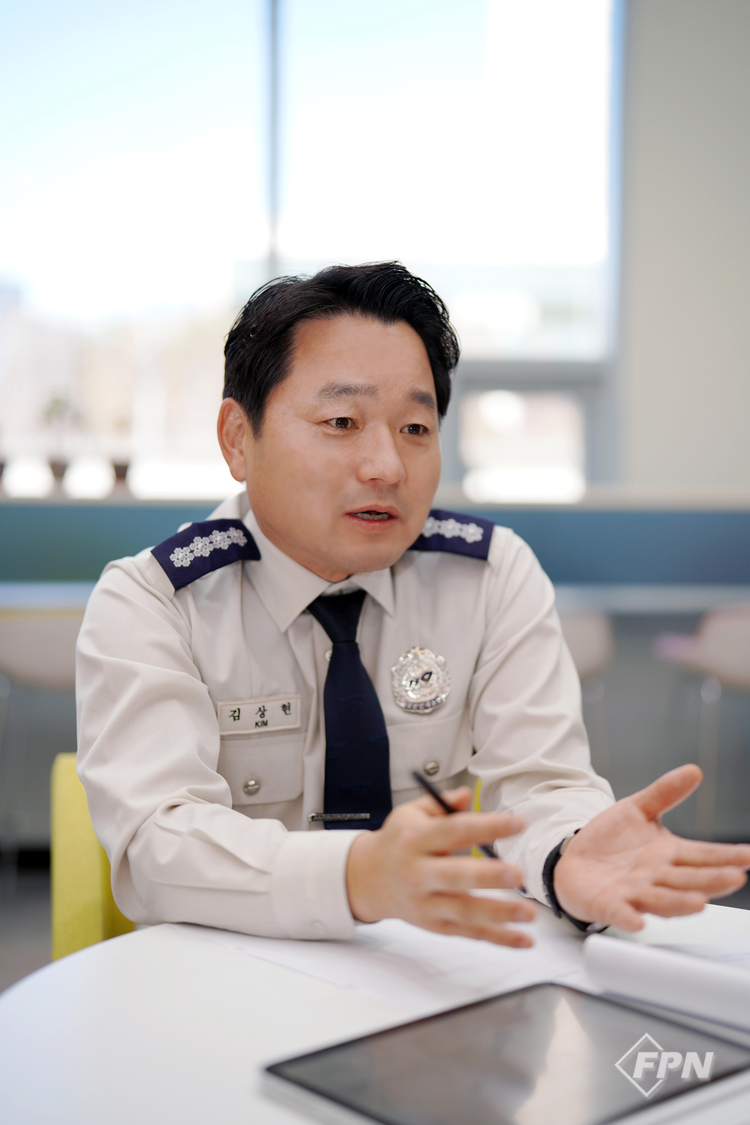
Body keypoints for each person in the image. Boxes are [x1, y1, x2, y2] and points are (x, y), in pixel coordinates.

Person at [76, 262, 750, 947]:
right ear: (237, 439)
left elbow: (542, 784)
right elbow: (158, 842)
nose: (388, 466)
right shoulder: (155, 600)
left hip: (426, 969)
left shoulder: (488, 575)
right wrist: (353, 877)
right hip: (226, 969)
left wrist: (566, 853)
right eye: (342, 421)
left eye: (416, 428)